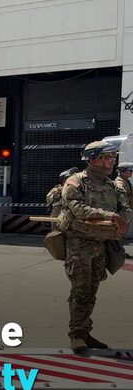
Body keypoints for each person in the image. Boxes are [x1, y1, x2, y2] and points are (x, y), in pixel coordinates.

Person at [58, 141, 131, 353]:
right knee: (80, 291)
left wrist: (122, 218)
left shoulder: (112, 185)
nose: (112, 160)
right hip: (80, 244)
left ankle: (85, 331)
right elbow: (78, 208)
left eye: (112, 156)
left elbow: (125, 209)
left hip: (101, 245)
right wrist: (110, 216)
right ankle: (77, 335)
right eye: (108, 157)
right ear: (93, 159)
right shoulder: (76, 181)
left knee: (91, 291)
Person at [114, 162, 133, 258]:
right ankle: (116, 253)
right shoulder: (120, 183)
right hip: (122, 213)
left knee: (122, 234)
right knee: (119, 234)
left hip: (125, 212)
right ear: (122, 171)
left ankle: (119, 252)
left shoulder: (126, 181)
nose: (131, 172)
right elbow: (122, 200)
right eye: (130, 170)